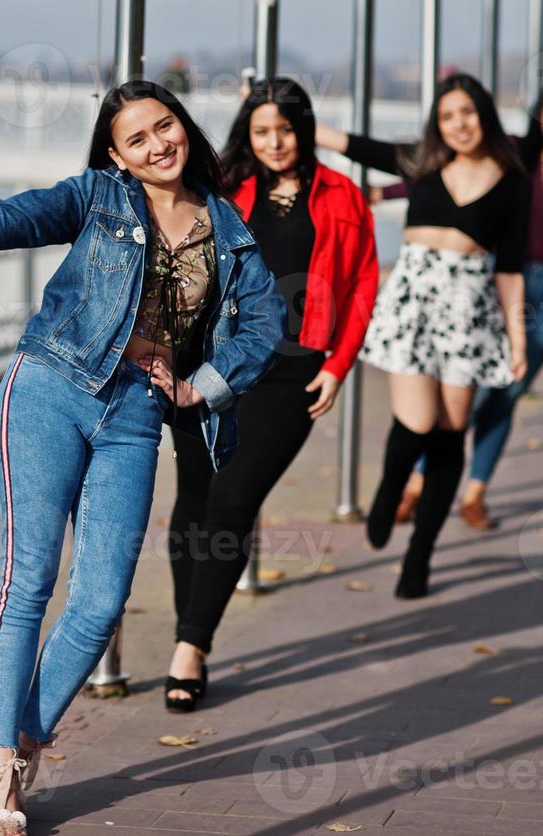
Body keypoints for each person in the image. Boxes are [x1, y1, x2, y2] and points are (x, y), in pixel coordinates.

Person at [0, 80, 284, 836]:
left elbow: (262, 325)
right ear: (116, 153)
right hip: (49, 389)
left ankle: (24, 735)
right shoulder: (99, 197)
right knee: (29, 578)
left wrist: (198, 389)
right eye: (137, 138)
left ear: (182, 127)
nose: (158, 145)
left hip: (136, 413)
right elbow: (10, 217)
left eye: (165, 126)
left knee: (100, 602)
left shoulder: (230, 230)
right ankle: (1, 765)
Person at [163, 77, 378, 713]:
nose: (275, 142)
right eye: (262, 131)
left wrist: (339, 365)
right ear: (247, 135)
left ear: (304, 128)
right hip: (211, 363)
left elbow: (364, 282)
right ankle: (191, 631)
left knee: (234, 495)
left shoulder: (343, 194)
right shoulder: (225, 190)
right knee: (196, 497)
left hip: (294, 368)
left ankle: (190, 645)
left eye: (285, 129)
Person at [319, 78, 543, 530]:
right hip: (488, 282)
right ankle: (421, 483)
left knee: (506, 395)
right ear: (541, 114)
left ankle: (475, 492)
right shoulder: (515, 153)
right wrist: (386, 192)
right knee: (461, 397)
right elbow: (448, 174)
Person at [317, 73, 528, 599]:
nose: (460, 124)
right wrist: (297, 122)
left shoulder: (512, 180)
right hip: (413, 304)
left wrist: (518, 340)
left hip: (468, 310)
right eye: (449, 115)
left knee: (451, 432)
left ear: (485, 116)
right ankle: (390, 490)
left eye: (469, 113)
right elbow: (355, 145)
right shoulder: (422, 161)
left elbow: (512, 269)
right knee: (414, 423)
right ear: (439, 121)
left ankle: (420, 556)